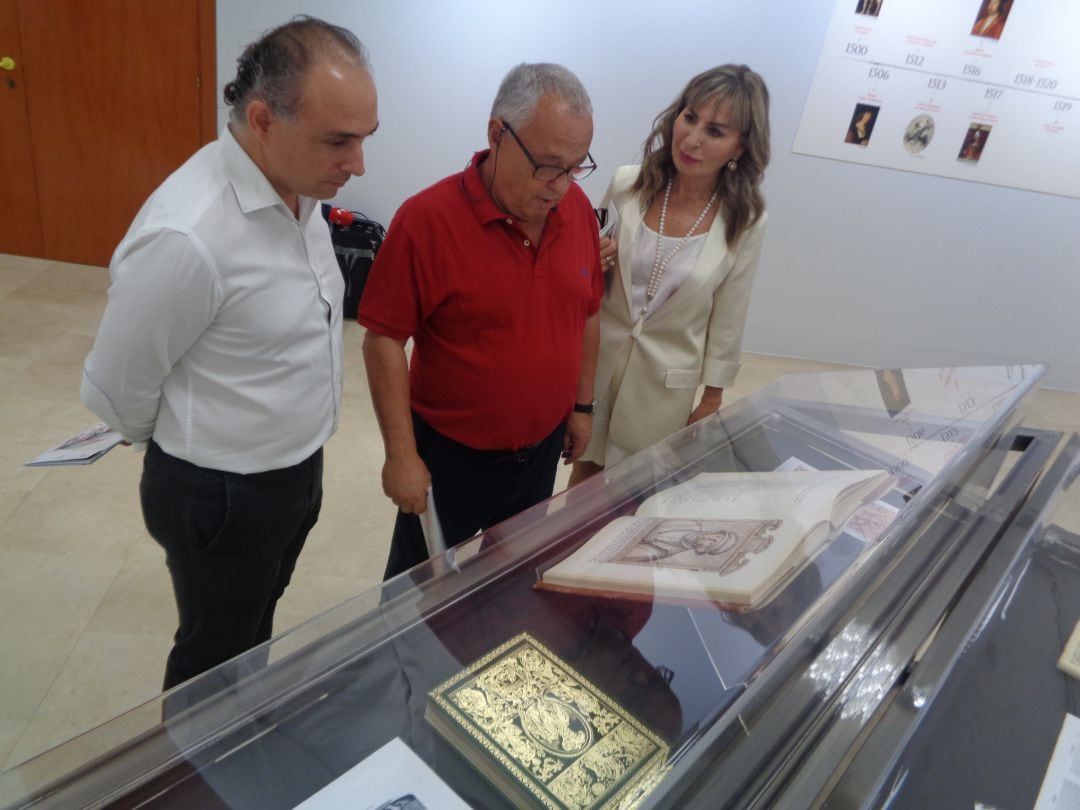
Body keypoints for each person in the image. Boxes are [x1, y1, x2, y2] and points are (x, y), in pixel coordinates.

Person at [80, 16, 378, 691]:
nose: (358, 164)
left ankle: (239, 736)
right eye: (339, 141)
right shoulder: (190, 236)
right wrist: (199, 439)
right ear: (264, 121)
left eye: (364, 137)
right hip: (221, 491)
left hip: (291, 468)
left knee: (250, 629)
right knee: (212, 657)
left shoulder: (299, 185)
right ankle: (194, 784)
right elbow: (115, 388)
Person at [358, 63, 603, 580]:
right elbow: (383, 340)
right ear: (497, 134)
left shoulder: (578, 210)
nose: (560, 185)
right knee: (417, 588)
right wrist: (400, 455)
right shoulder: (427, 220)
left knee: (508, 579)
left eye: (576, 167)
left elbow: (588, 313)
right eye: (548, 165)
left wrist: (581, 406)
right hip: (451, 455)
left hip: (540, 450)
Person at [570, 65, 770, 485]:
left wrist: (712, 396)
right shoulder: (628, 185)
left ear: (740, 147)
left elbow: (730, 315)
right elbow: (589, 270)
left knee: (637, 494)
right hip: (598, 366)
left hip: (664, 385)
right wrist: (594, 261)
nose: (692, 139)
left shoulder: (746, 220)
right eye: (689, 117)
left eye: (715, 131)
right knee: (582, 483)